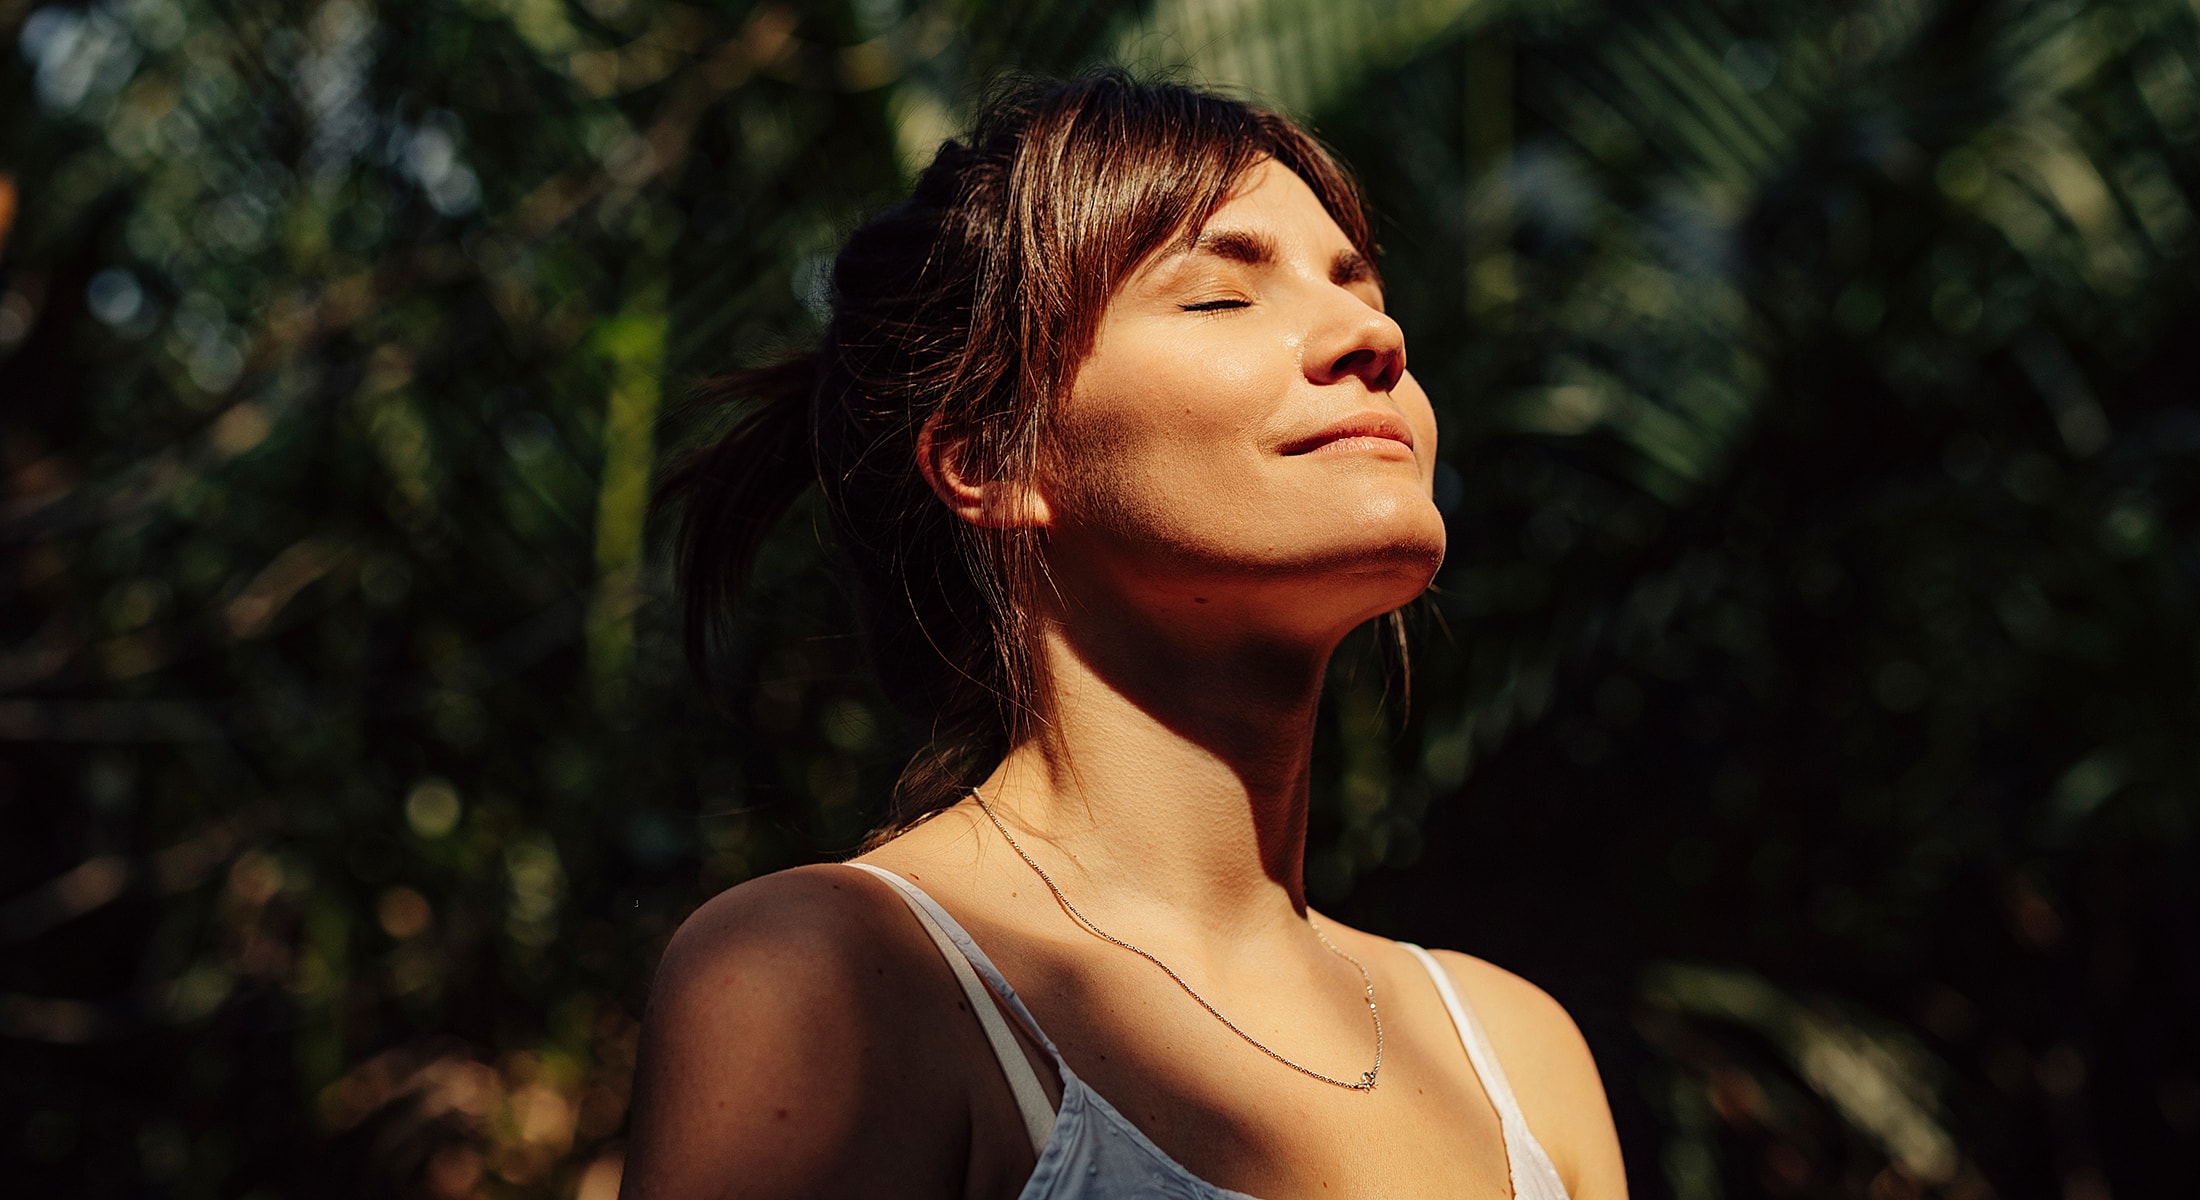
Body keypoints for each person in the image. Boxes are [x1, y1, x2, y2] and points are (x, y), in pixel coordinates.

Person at [621, 73, 1626, 1200]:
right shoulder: (837, 978)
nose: (1372, 333)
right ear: (992, 461)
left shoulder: (1516, 1059)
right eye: (1218, 298)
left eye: (1357, 282)